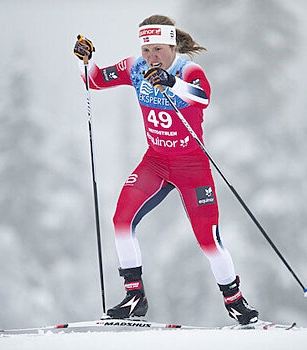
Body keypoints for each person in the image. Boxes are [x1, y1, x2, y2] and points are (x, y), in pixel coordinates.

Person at [74, 14, 259, 325]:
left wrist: (173, 83)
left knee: (209, 241)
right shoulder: (134, 66)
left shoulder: (189, 70)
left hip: (192, 167)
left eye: (158, 49)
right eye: (146, 49)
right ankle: (135, 297)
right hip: (156, 162)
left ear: (172, 46)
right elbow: (93, 79)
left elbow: (202, 97)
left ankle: (235, 301)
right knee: (121, 220)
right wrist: (84, 60)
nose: (151, 57)